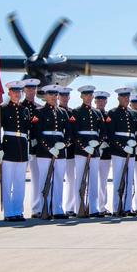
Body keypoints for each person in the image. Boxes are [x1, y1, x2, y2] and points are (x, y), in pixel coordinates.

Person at [0, 80, 31, 221]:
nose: (16, 94)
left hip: (22, 149)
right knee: (8, 183)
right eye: (14, 92)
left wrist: (29, 150)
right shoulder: (3, 109)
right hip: (8, 149)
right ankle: (9, 213)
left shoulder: (24, 110)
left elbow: (29, 131)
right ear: (9, 93)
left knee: (20, 183)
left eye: (19, 92)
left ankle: (18, 211)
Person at [32, 84, 71, 219]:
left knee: (60, 180)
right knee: (44, 180)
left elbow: (69, 133)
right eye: (51, 94)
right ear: (45, 96)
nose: (54, 97)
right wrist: (49, 148)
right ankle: (45, 208)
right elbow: (38, 133)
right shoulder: (39, 111)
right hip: (44, 151)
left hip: (60, 151)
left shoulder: (63, 112)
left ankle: (58, 209)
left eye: (55, 94)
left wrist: (63, 144)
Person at [70, 85, 104, 217]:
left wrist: (97, 144)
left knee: (94, 180)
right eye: (86, 95)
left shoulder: (97, 113)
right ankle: (80, 207)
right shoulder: (76, 112)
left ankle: (93, 208)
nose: (89, 97)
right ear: (81, 96)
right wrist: (84, 146)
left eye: (90, 95)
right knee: (80, 179)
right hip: (81, 150)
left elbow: (103, 133)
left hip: (94, 151)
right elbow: (74, 133)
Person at [108, 87, 137, 217]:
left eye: (127, 97)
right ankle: (117, 207)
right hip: (118, 151)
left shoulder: (133, 113)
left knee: (129, 180)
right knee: (118, 179)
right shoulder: (113, 113)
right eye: (123, 97)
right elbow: (111, 134)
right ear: (118, 98)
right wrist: (122, 146)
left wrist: (135, 142)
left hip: (131, 150)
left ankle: (127, 207)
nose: (126, 99)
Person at [21, 78, 42, 215]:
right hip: (21, 148)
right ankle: (16, 210)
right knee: (19, 180)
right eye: (28, 89)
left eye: (33, 89)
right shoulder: (19, 107)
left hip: (35, 149)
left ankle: (36, 208)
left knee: (36, 179)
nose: (31, 91)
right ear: (24, 90)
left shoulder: (40, 108)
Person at [57, 86, 77, 216]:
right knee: (57, 180)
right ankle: (55, 207)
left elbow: (74, 131)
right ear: (58, 97)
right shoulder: (55, 111)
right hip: (56, 151)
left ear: (69, 97)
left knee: (71, 180)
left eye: (66, 95)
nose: (64, 98)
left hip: (70, 151)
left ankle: (70, 207)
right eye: (62, 95)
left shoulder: (73, 112)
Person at [94, 91, 113, 215]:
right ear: (95, 101)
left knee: (103, 181)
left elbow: (112, 131)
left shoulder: (109, 115)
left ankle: (102, 206)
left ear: (106, 102)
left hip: (106, 151)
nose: (101, 102)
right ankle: (91, 205)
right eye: (98, 100)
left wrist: (107, 143)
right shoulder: (92, 113)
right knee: (92, 179)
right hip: (92, 150)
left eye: (103, 100)